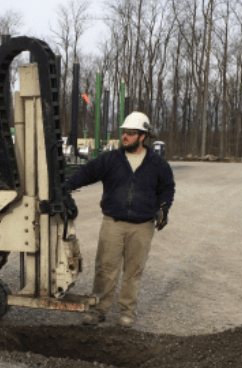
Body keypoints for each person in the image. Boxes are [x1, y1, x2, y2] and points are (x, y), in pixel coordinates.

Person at [64, 111, 175, 327]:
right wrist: (67, 186)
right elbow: (87, 172)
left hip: (143, 225)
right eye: (124, 133)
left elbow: (167, 188)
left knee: (133, 271)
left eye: (130, 134)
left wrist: (164, 208)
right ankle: (98, 310)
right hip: (113, 223)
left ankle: (127, 312)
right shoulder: (111, 159)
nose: (124, 137)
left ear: (143, 136)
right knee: (105, 268)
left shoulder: (157, 164)